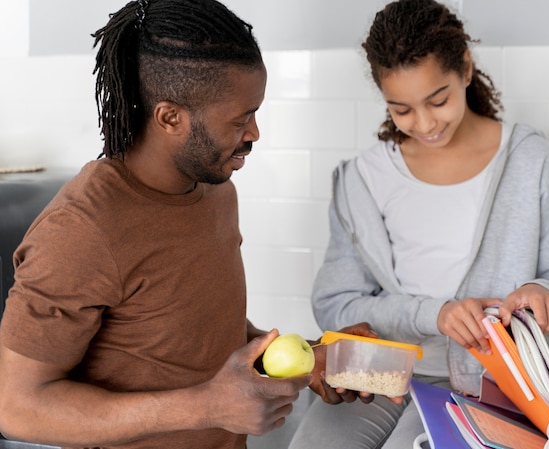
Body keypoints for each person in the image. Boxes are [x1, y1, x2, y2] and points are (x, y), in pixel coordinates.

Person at [0, 1, 377, 448]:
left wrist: (308, 358)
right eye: (239, 120)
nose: (255, 132)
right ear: (169, 117)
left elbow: (198, 332)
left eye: (255, 112)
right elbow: (18, 408)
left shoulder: (214, 187)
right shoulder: (82, 229)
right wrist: (208, 406)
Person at [288, 0, 549, 447]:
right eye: (402, 109)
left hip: (487, 386)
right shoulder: (362, 180)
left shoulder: (531, 160)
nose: (425, 123)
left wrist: (546, 296)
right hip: (376, 378)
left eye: (439, 99)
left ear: (465, 69)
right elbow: (336, 305)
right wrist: (436, 314)